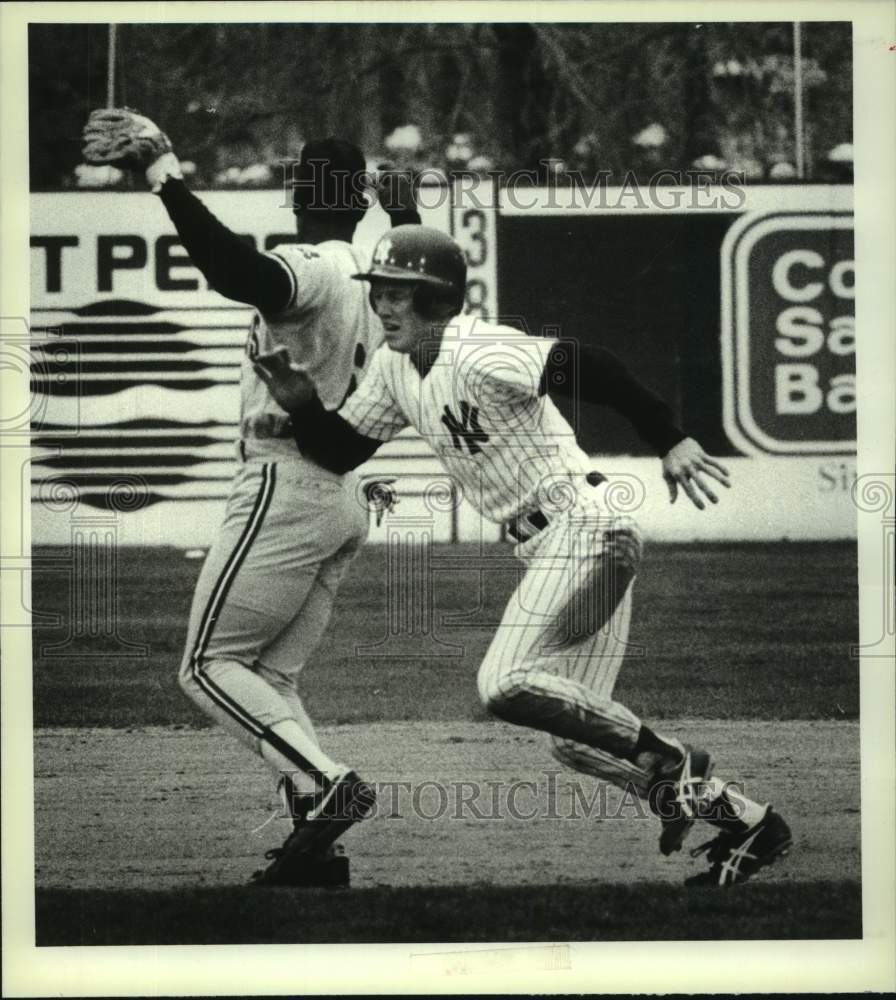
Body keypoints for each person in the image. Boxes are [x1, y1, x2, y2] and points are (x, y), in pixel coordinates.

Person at [255, 224, 794, 888]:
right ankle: (749, 822)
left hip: (587, 524)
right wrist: (304, 404)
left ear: (437, 299)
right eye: (380, 292)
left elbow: (594, 366)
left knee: (503, 683)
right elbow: (341, 450)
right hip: (550, 544)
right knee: (574, 743)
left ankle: (669, 759)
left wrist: (670, 438)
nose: (383, 305)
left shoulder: (478, 347)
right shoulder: (394, 369)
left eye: (399, 293)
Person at [81, 108, 420, 886]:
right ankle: (314, 851)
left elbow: (241, 275)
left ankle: (330, 785)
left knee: (206, 667)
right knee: (269, 677)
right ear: (359, 200)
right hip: (341, 494)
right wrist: (402, 213)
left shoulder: (315, 264)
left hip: (284, 484)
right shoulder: (377, 283)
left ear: (297, 195)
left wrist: (164, 174)